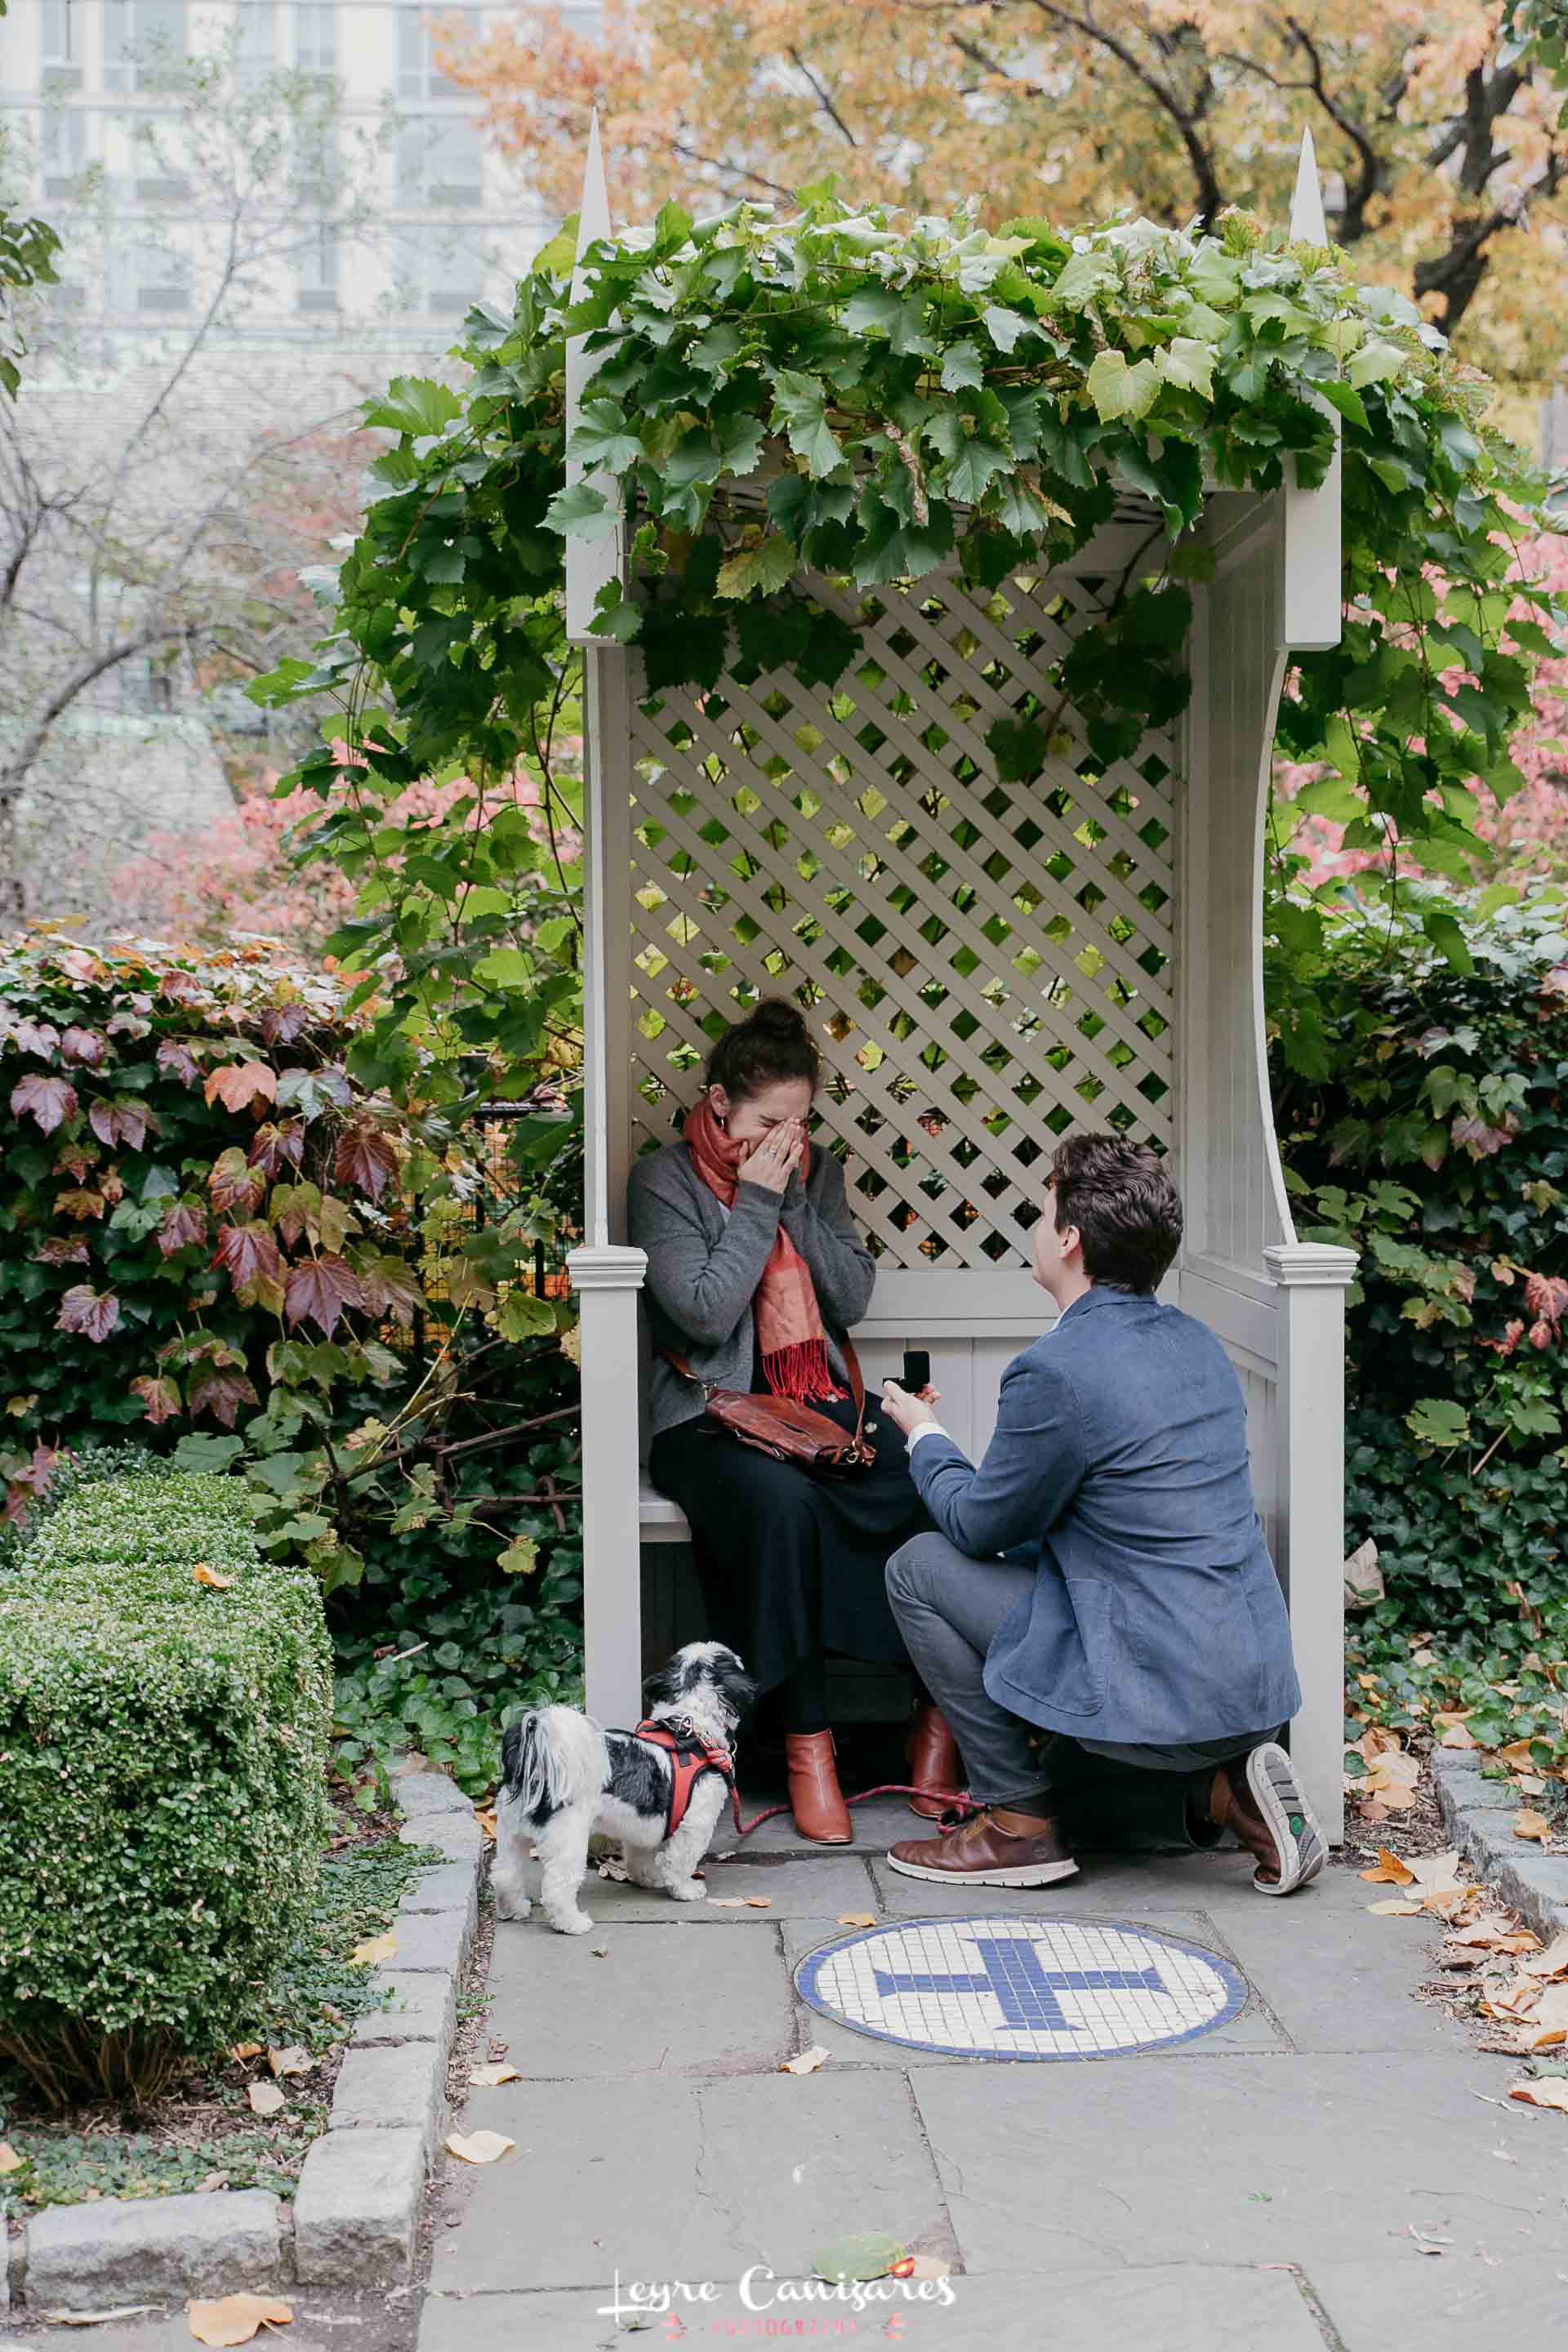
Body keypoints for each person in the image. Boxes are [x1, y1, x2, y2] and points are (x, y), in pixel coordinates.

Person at [876, 1131, 1325, 1896]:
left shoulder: (1055, 1370)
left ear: (1071, 1238)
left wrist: (925, 1437)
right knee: (1088, 1776)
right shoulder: (1196, 1344)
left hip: (1155, 1680)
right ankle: (1228, 1792)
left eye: (1043, 1209)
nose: (1037, 1226)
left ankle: (1018, 1824)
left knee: (917, 1569)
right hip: (1246, 1682)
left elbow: (979, 1527)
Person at [628, 999, 960, 1843]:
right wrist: (754, 1201)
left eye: (802, 1122)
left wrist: (796, 1203)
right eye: (771, 1121)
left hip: (813, 1411)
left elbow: (850, 1296)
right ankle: (811, 1749)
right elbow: (702, 1313)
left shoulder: (815, 1175)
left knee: (921, 1477)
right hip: (706, 1419)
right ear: (718, 1105)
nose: (788, 1139)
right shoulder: (662, 1181)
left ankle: (939, 1726)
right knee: (785, 1509)